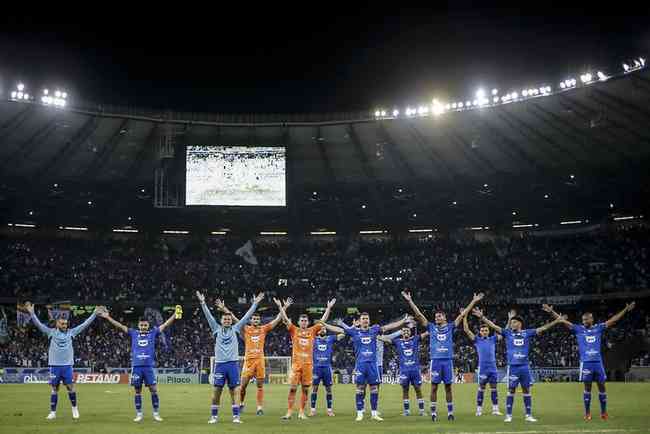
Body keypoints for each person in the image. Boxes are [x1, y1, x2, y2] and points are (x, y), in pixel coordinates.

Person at [542, 301, 635, 421]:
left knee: (602, 387)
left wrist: (625, 310)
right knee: (587, 388)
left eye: (586, 319)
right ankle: (587, 413)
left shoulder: (599, 328)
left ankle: (604, 412)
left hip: (598, 363)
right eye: (583, 320)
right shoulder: (579, 329)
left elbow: (613, 320)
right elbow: (563, 321)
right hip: (586, 364)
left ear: (592, 319)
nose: (584, 321)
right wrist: (551, 312)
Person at [402, 290, 484, 422]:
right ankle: (433, 413)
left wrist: (473, 301)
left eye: (439, 316)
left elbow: (463, 315)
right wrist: (409, 301)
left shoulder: (451, 326)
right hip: (435, 361)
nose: (437, 318)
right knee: (434, 387)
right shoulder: (431, 327)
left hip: (447, 361)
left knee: (448, 387)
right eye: (436, 316)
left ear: (444, 318)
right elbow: (418, 314)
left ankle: (450, 413)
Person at [475, 307, 565, 423]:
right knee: (511, 391)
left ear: (520, 324)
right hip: (513, 367)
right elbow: (493, 326)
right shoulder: (507, 333)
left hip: (524, 367)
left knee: (526, 390)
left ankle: (528, 415)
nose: (512, 324)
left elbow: (542, 328)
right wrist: (482, 317)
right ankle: (508, 415)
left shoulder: (527, 333)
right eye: (511, 322)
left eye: (514, 322)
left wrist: (556, 321)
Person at [319, 312, 410, 422]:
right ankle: (360, 413)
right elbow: (339, 330)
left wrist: (402, 322)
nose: (365, 320)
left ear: (369, 320)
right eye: (363, 319)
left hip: (372, 364)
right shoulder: (354, 331)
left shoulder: (375, 329)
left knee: (374, 389)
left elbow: (389, 326)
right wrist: (324, 324)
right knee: (360, 389)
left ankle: (374, 413)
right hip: (360, 365)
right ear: (360, 321)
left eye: (367, 318)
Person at [25, 302, 105, 420]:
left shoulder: (71, 332)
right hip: (54, 366)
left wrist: (94, 314)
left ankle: (74, 409)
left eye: (66, 324)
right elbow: (39, 325)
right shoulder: (51, 332)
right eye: (62, 324)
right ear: (57, 324)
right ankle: (53, 412)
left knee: (70, 387)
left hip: (67, 365)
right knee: (54, 388)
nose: (65, 325)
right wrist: (32, 313)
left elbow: (84, 325)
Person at [98, 308, 179, 422]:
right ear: (138, 325)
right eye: (141, 325)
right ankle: (139, 414)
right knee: (137, 391)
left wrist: (175, 315)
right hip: (136, 367)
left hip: (148, 367)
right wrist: (107, 317)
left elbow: (165, 325)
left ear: (148, 325)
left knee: (154, 389)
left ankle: (156, 413)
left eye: (145, 325)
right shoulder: (133, 333)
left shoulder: (153, 332)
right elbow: (120, 326)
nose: (143, 327)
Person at [196, 290, 263, 424]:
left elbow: (246, 317)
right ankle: (214, 417)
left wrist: (255, 304)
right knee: (216, 392)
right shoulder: (216, 328)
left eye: (228, 319)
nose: (227, 320)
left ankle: (236, 417)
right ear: (221, 321)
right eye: (224, 319)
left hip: (232, 364)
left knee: (235, 392)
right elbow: (208, 316)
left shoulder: (236, 328)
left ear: (231, 321)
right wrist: (203, 303)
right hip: (220, 365)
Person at [275, 297, 336, 420]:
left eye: (305, 320)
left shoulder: (312, 331)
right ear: (298, 322)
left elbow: (323, 320)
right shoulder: (294, 330)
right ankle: (289, 412)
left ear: (308, 322)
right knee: (292, 388)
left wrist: (328, 308)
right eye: (302, 320)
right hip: (296, 365)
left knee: (305, 389)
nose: (303, 322)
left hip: (308, 365)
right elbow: (285, 319)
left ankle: (302, 412)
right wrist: (281, 307)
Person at [237, 299, 285, 416]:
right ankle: (241, 403)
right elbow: (234, 319)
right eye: (254, 319)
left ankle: (259, 408)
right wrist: (224, 309)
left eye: (257, 319)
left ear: (259, 320)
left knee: (260, 386)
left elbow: (277, 319)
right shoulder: (246, 328)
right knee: (243, 386)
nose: (256, 320)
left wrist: (282, 307)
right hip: (248, 361)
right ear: (251, 320)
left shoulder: (264, 329)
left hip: (259, 361)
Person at [378, 324, 428, 416]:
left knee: (418, 389)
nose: (406, 332)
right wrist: (377, 336)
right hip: (404, 370)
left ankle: (421, 411)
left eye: (407, 331)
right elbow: (387, 339)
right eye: (404, 331)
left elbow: (426, 333)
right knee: (405, 390)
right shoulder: (398, 341)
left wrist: (431, 329)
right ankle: (407, 411)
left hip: (415, 370)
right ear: (402, 333)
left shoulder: (415, 339)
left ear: (410, 333)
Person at [464, 309, 502, 416]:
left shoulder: (493, 339)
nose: (484, 332)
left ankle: (495, 409)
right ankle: (479, 409)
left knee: (494, 388)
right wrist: (464, 316)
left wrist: (508, 320)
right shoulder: (477, 340)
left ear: (488, 331)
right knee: (481, 389)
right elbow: (466, 330)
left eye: (486, 330)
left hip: (493, 368)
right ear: (480, 332)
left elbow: (504, 332)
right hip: (483, 368)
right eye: (482, 330)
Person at [309, 325, 345, 416]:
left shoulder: (330, 338)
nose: (322, 330)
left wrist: (328, 327)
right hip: (316, 368)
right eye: (321, 329)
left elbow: (343, 333)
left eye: (324, 328)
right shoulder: (313, 339)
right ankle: (312, 410)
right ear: (317, 331)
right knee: (314, 388)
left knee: (328, 389)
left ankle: (329, 410)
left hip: (327, 368)